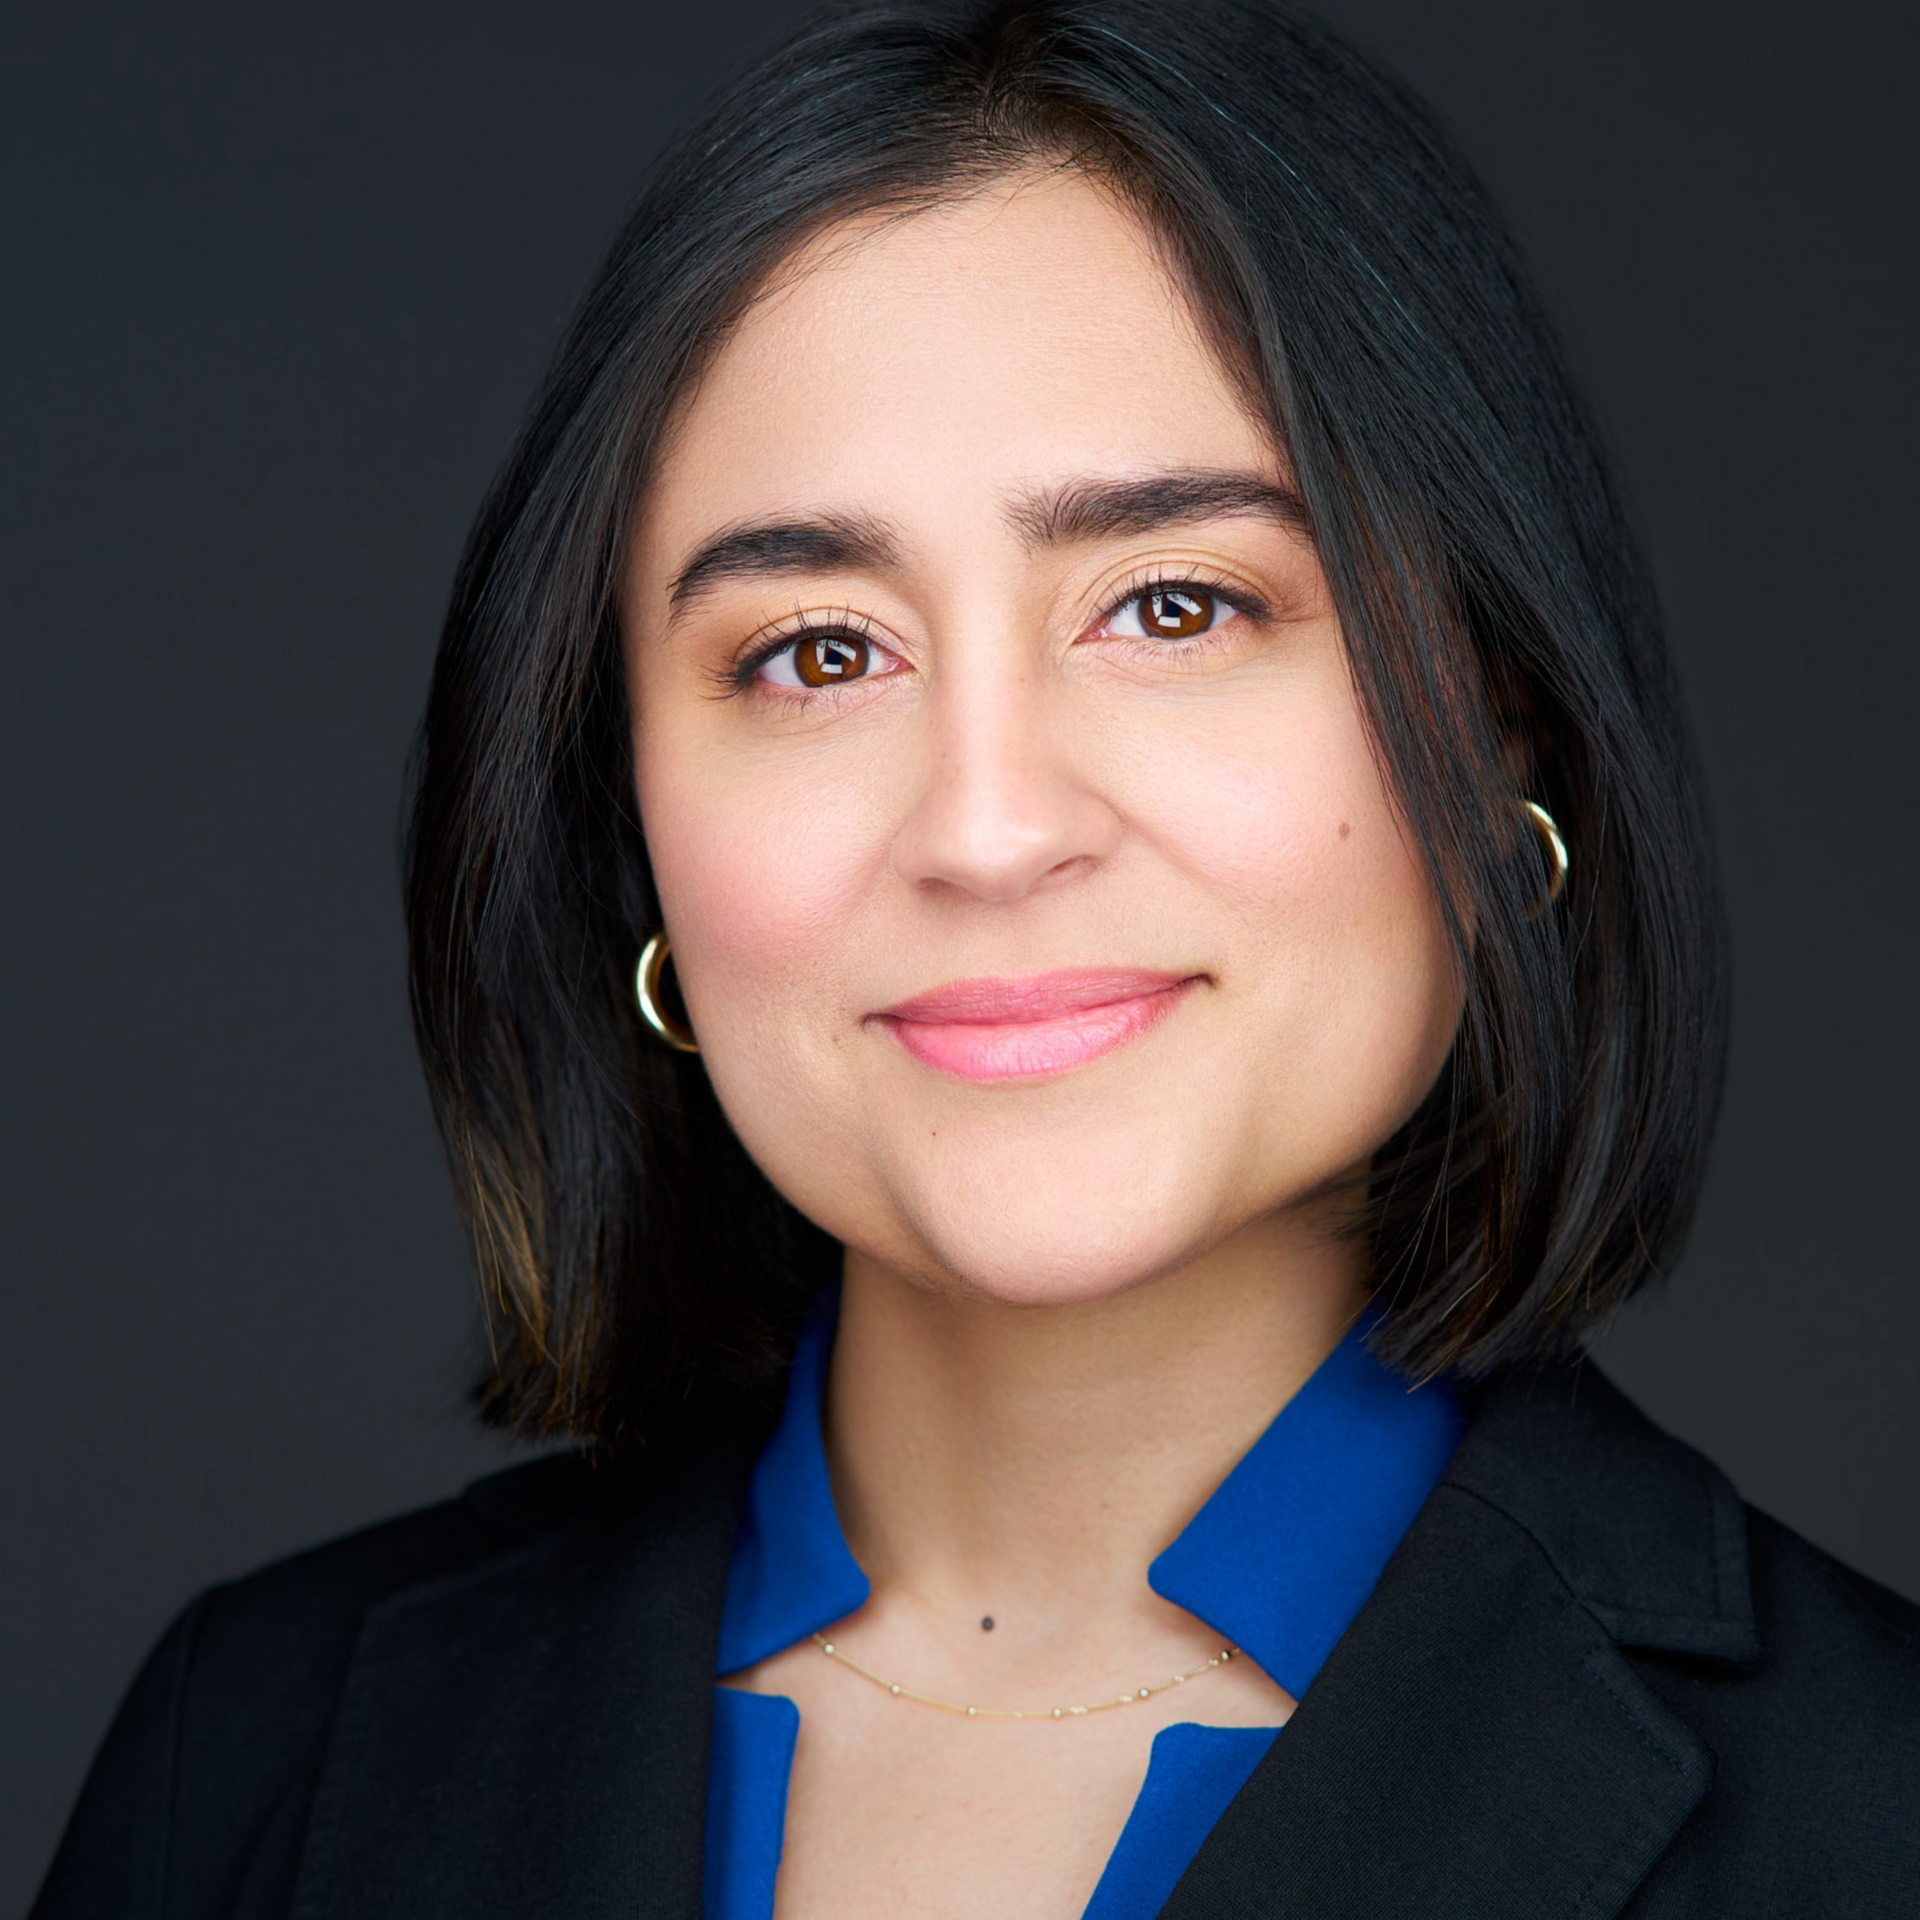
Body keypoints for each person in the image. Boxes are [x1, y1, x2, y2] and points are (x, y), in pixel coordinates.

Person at [33, 2, 1920, 1915]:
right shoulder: (254, 1765)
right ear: (634, 826)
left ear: (1502, 718)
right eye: (818, 652)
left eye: (1172, 606)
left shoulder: (1875, 1819)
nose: (991, 827)